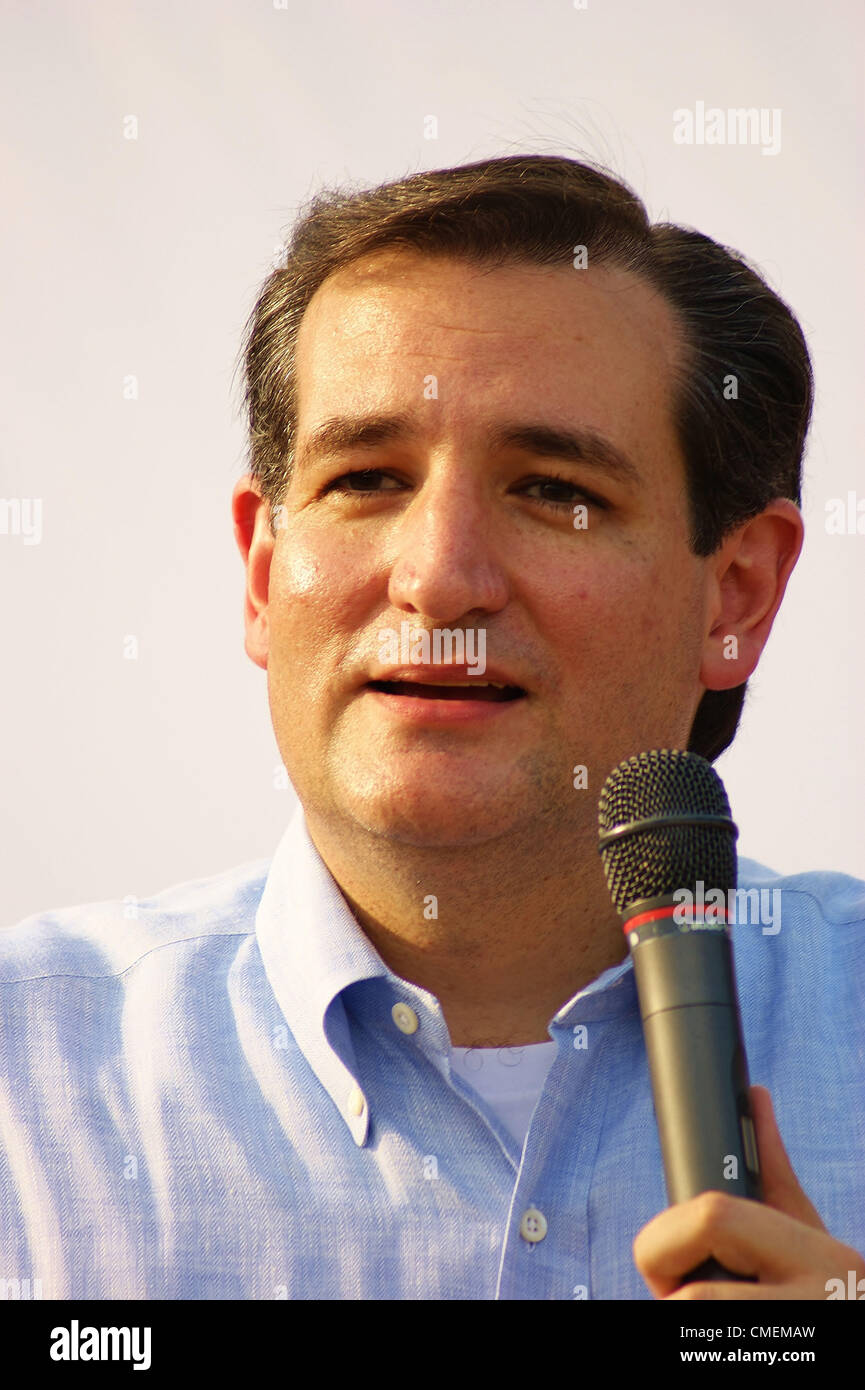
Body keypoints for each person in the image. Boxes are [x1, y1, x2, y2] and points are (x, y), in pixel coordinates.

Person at [2, 154, 863, 1302]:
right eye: (364, 478)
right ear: (262, 575)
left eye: (556, 490)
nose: (440, 579)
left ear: (737, 594)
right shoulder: (26, 1076)